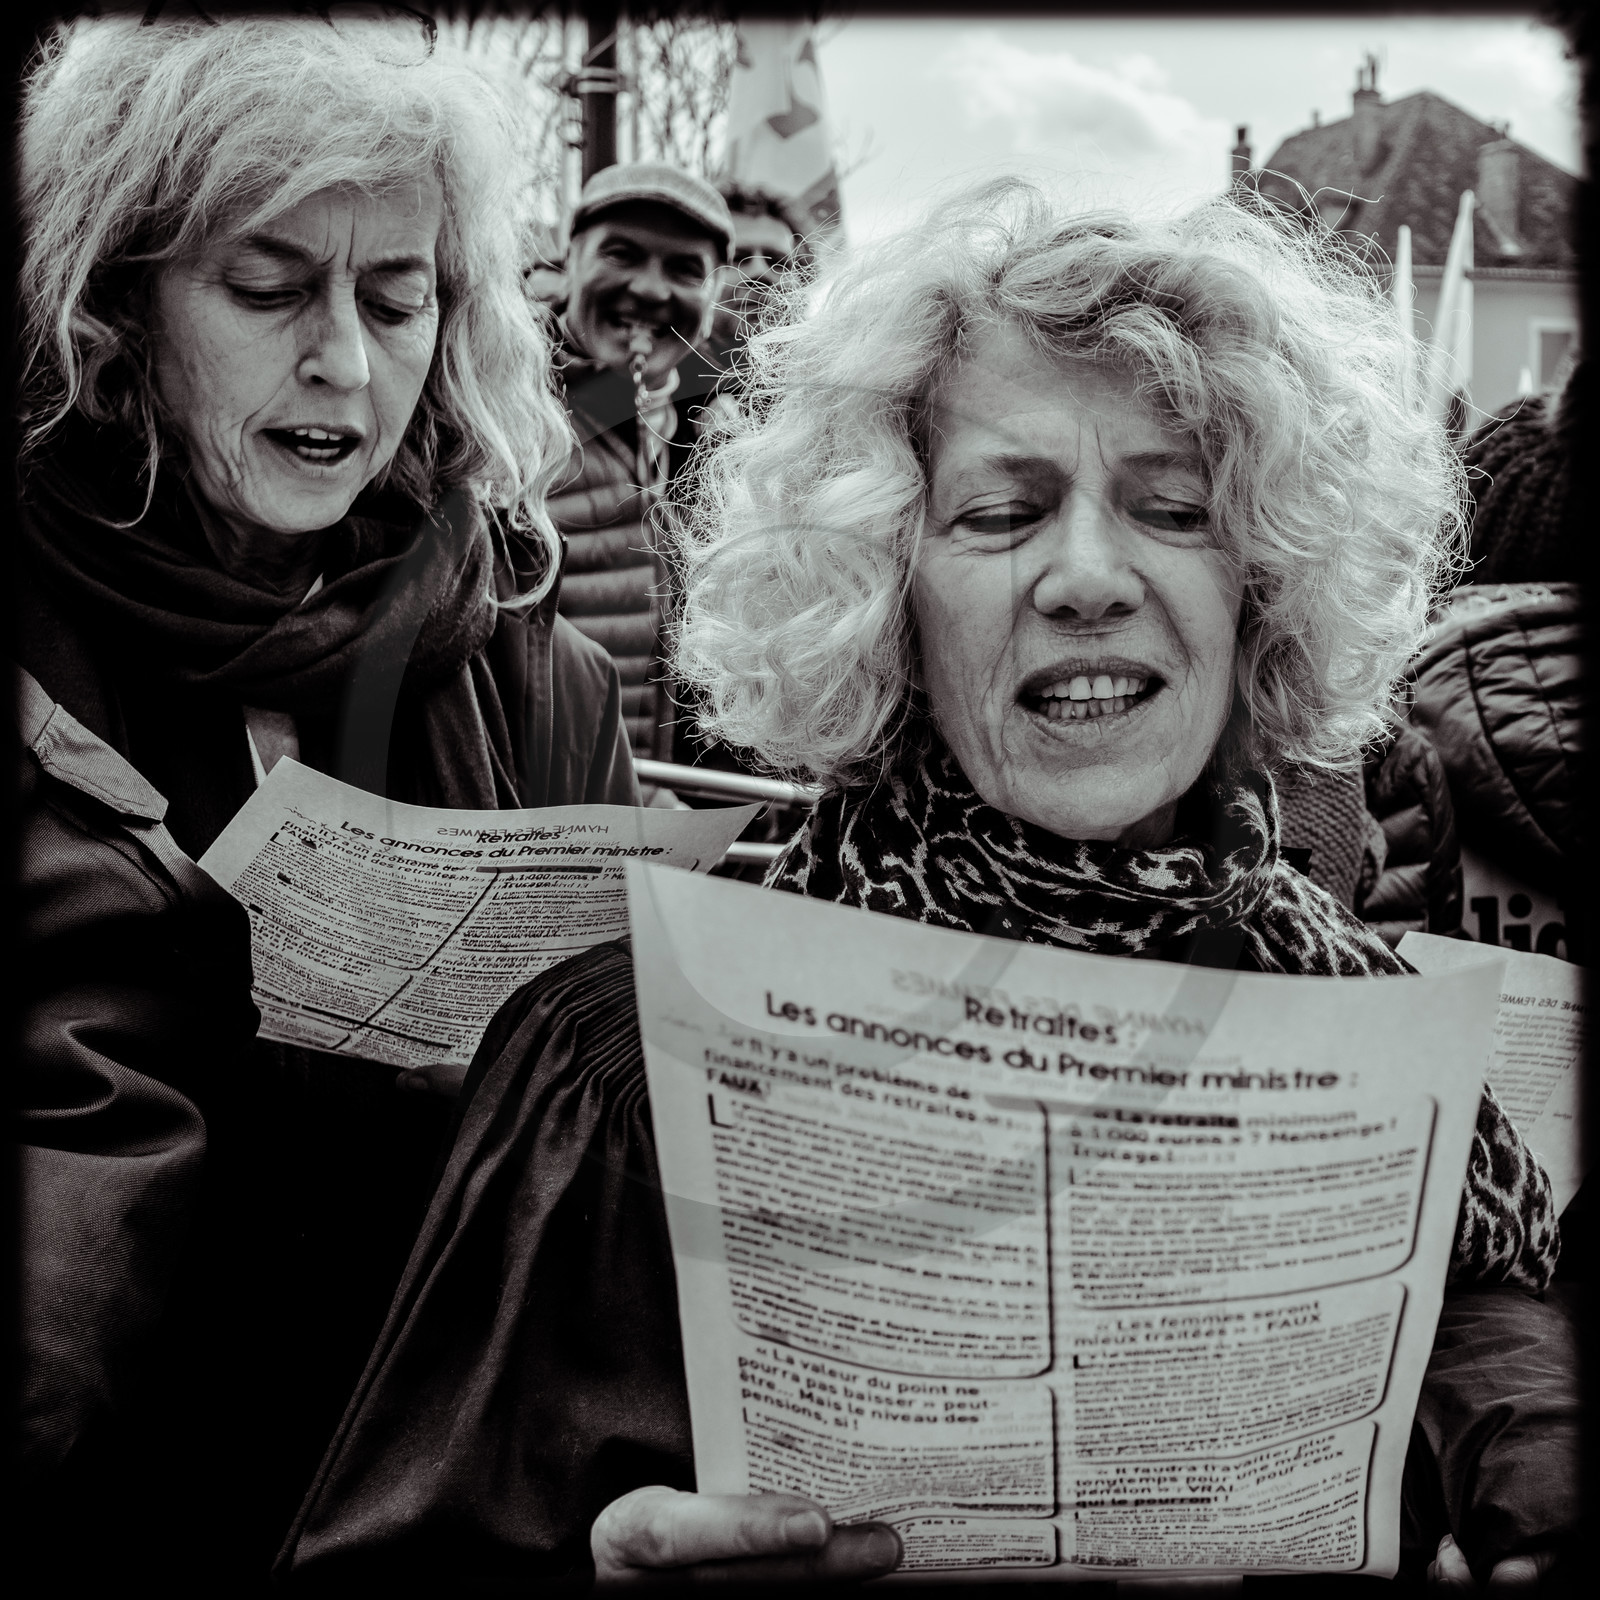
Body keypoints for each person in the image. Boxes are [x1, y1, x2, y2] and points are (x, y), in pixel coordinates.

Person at [279, 186, 1573, 1590]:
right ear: (881, 592)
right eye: (1001, 513)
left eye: (1177, 508)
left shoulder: (1391, 1064)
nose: (1089, 576)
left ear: (1263, 585)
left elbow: (1489, 1341)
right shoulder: (628, 1062)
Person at [15, 9, 635, 1585]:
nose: (343, 363)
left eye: (398, 295)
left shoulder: (531, 671)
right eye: (269, 287)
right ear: (114, 304)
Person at [549, 161, 733, 765]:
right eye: (621, 254)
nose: (652, 290)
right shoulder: (489, 412)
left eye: (684, 269)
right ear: (570, 259)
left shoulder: (724, 433)